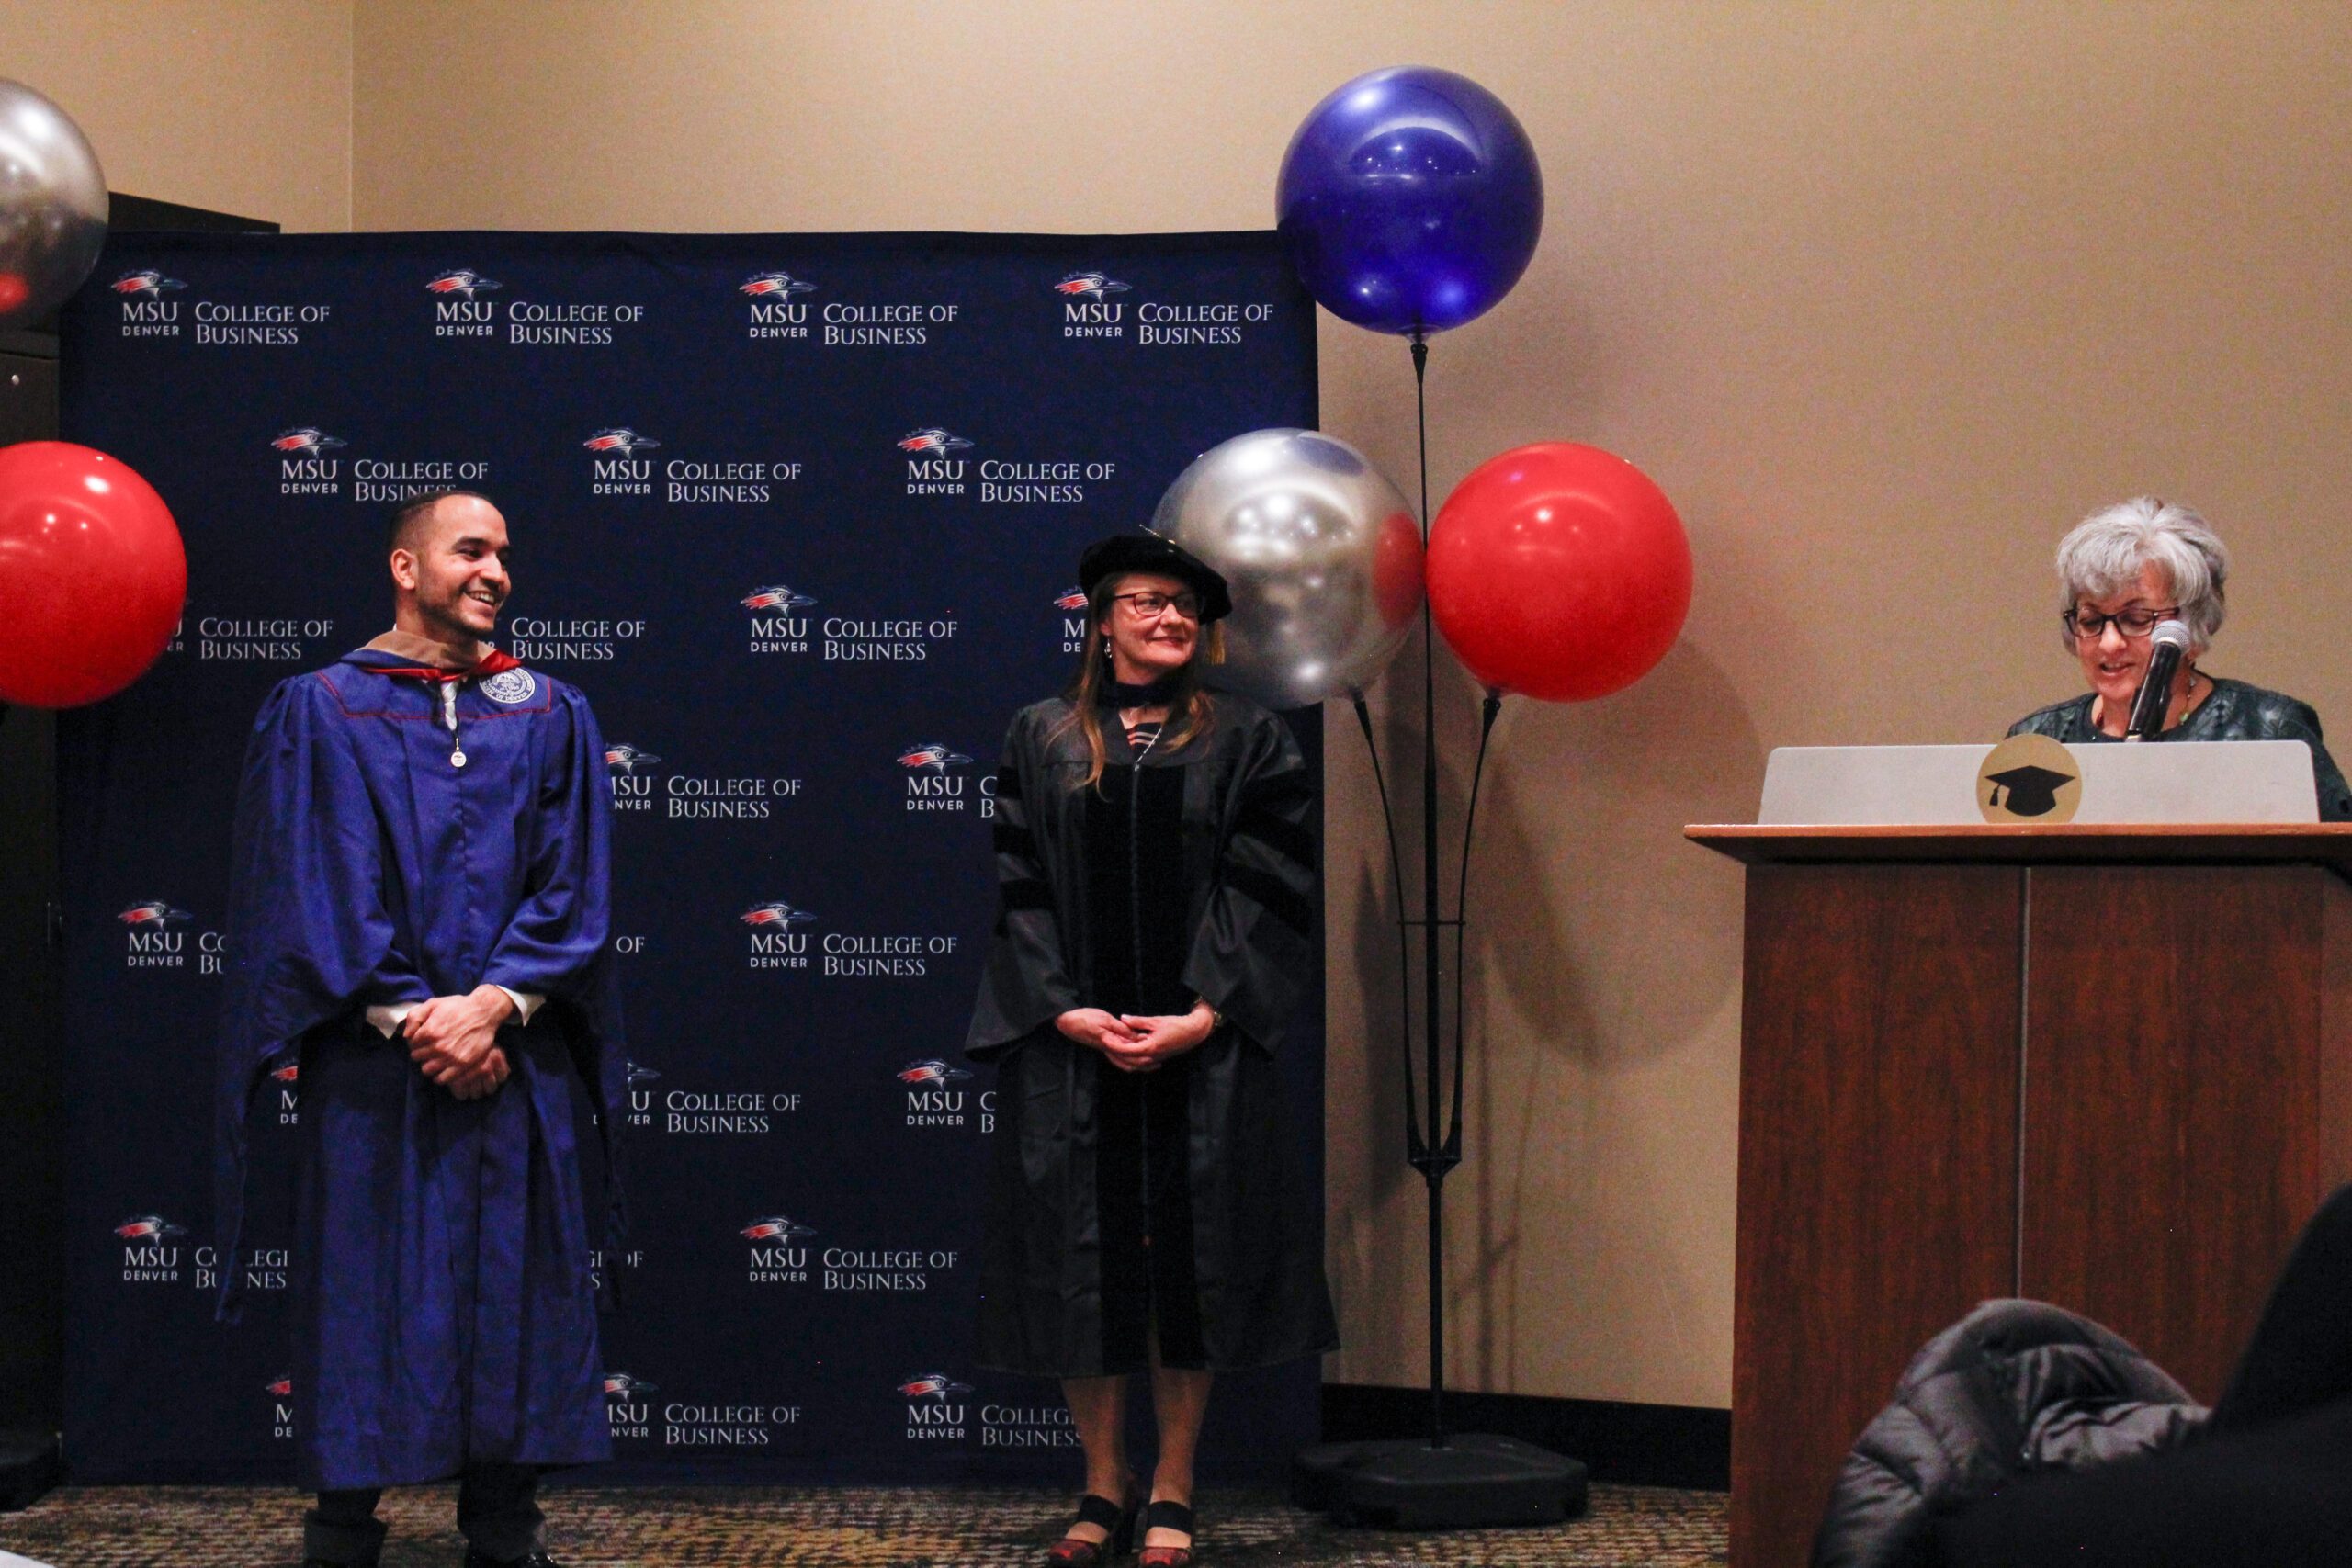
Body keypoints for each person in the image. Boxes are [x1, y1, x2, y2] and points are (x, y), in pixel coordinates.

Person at [215, 491, 624, 1568]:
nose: (497, 571)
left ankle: (505, 1525)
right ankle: (343, 1527)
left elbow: (572, 886)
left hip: (512, 1059)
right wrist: (417, 1017)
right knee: (364, 1289)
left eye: (505, 553)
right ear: (405, 566)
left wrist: (491, 1007)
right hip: (373, 1064)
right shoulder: (322, 707)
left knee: (517, 1286)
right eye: (472, 549)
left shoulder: (548, 712)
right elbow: (316, 886)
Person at [967, 531, 1336, 1568]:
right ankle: (1102, 1485)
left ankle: (1172, 1483)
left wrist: (1205, 1012)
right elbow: (1020, 888)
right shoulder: (1042, 736)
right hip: (1075, 1050)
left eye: (1182, 604)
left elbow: (1266, 890)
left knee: (1186, 1269)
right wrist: (1062, 1010)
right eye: (1144, 601)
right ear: (1103, 618)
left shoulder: (1249, 739)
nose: (1167, 618)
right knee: (1084, 1273)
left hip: (1197, 1053)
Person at [2008, 496, 2352, 818]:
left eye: (2137, 618)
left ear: (2194, 626)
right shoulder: (2038, 742)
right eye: (2091, 620)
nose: (2109, 642)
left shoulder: (2269, 730)